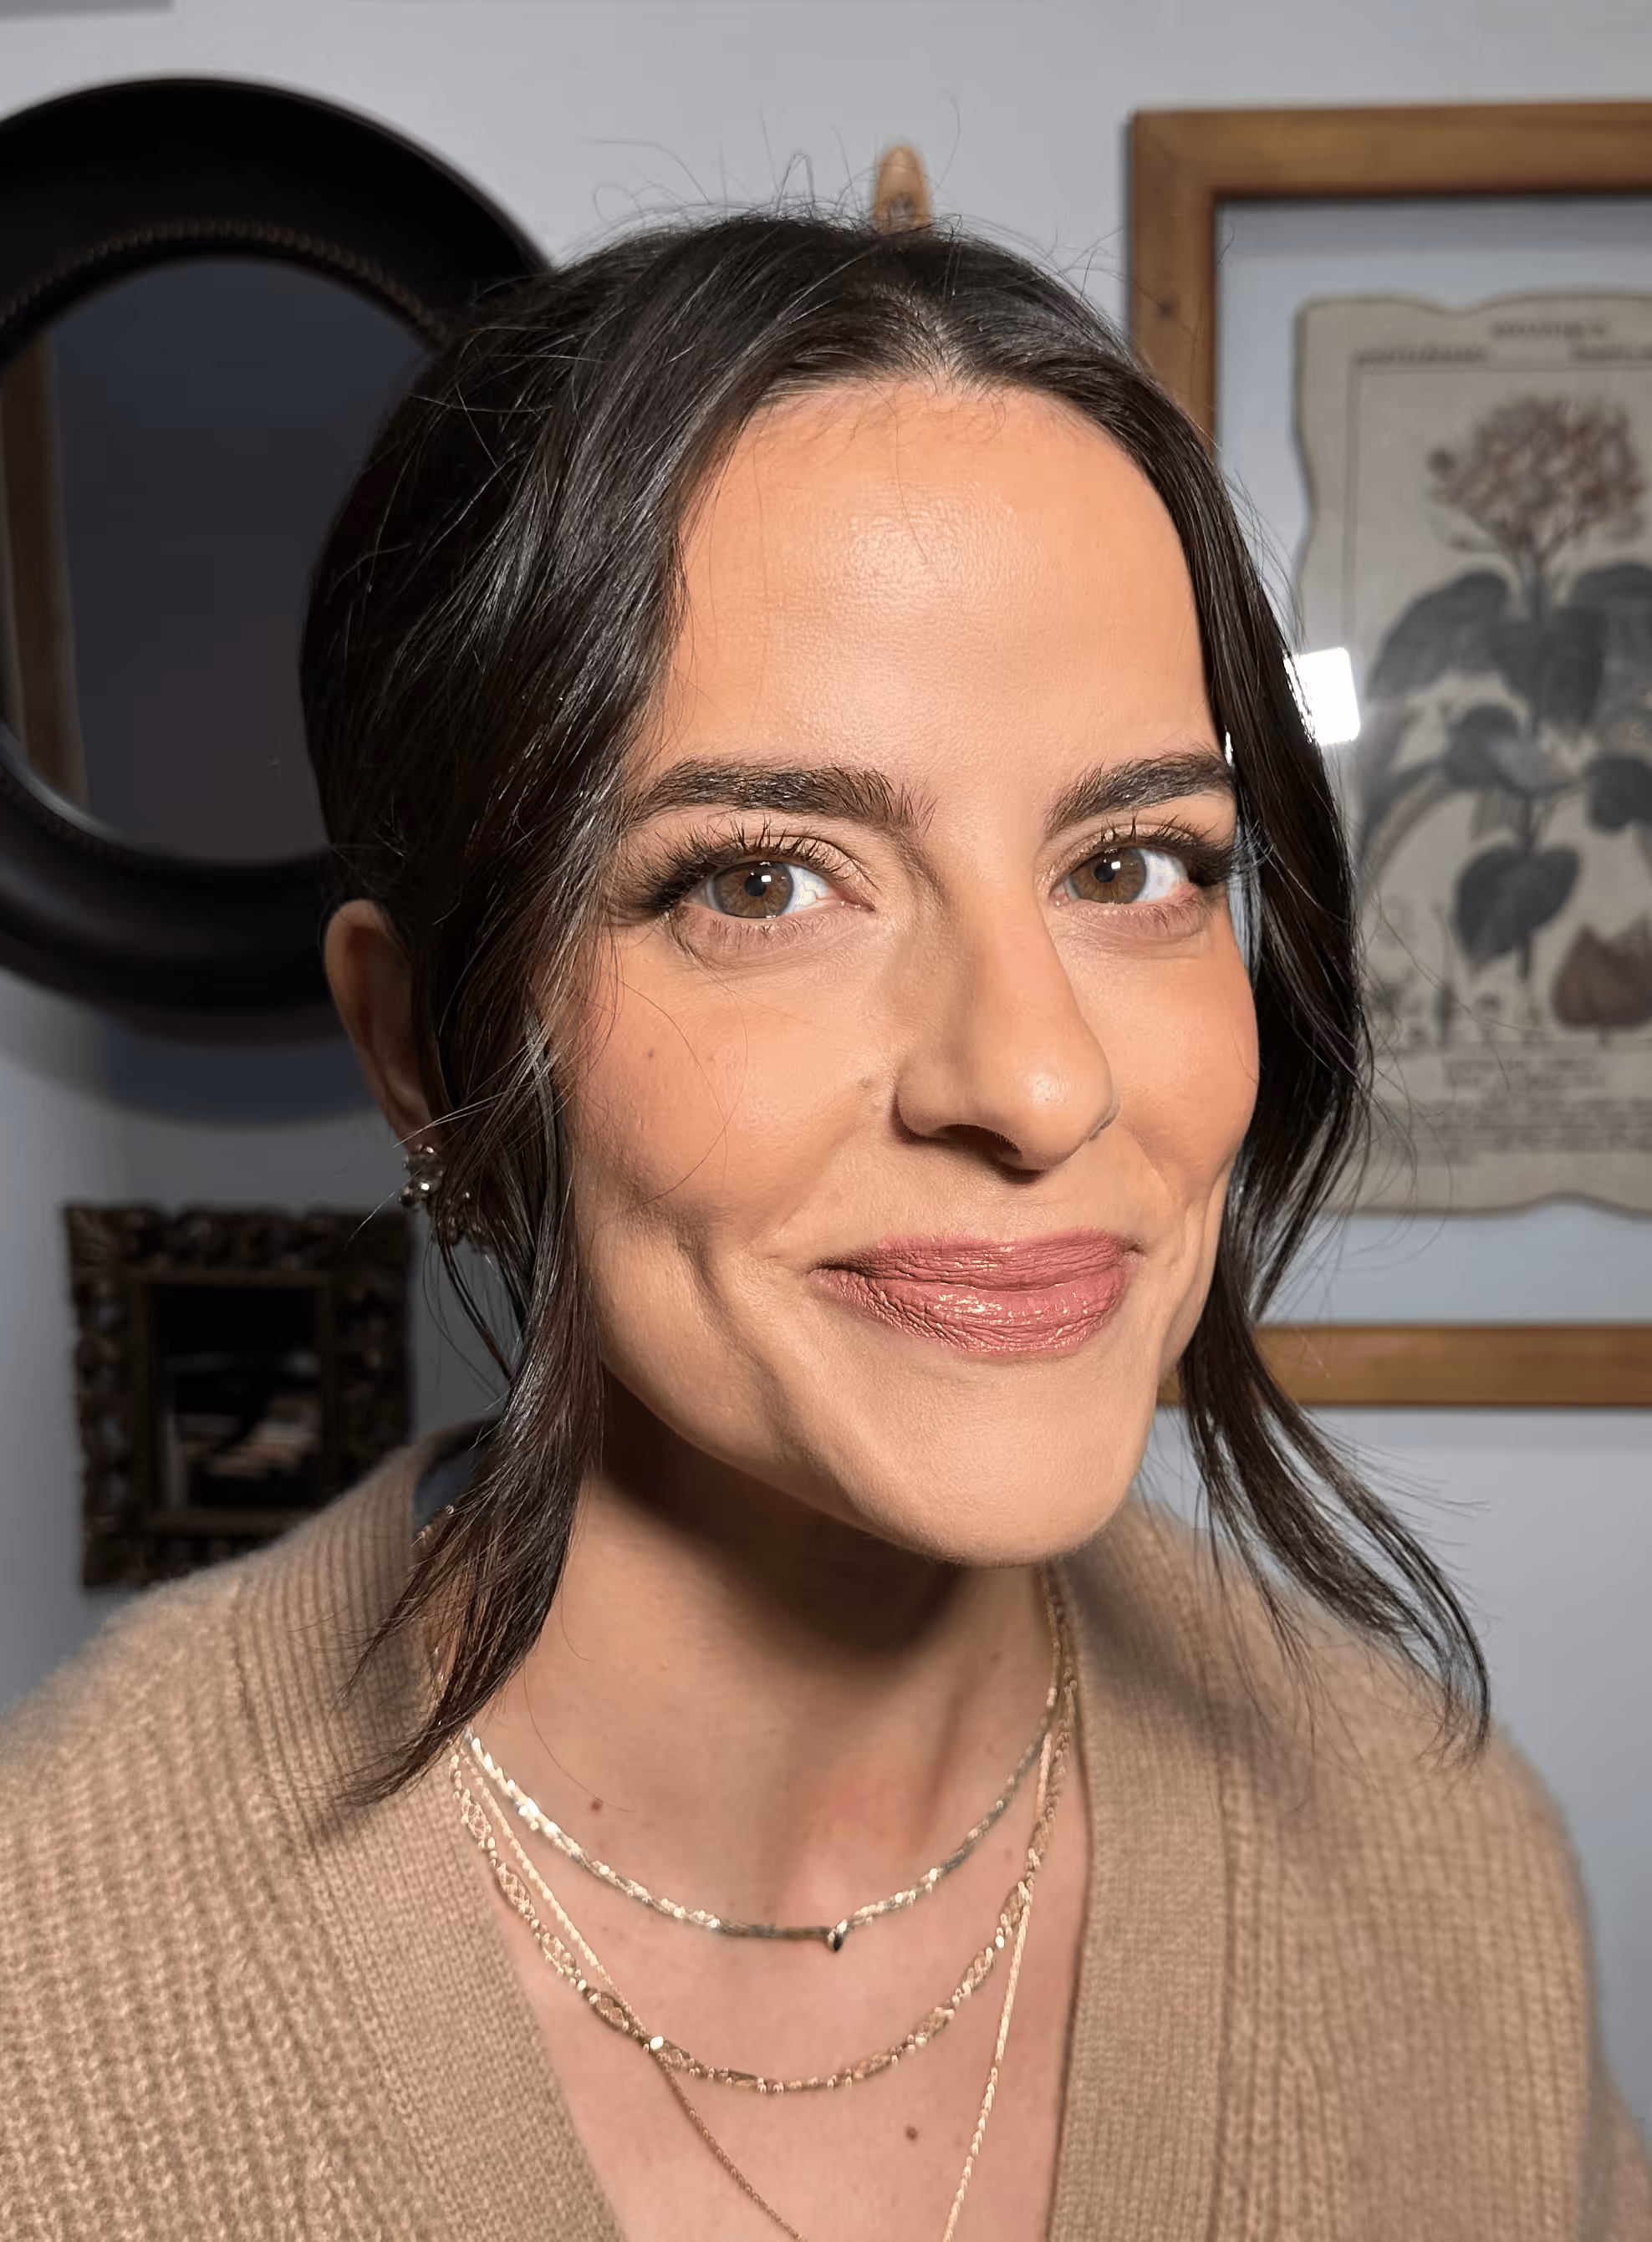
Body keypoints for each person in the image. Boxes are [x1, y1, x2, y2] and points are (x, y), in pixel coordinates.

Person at [1, 212, 1647, 2242]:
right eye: (764, 882)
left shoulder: (1435, 1866)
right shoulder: (48, 1987)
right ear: (421, 1046)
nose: (1036, 1085)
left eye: (1133, 861)